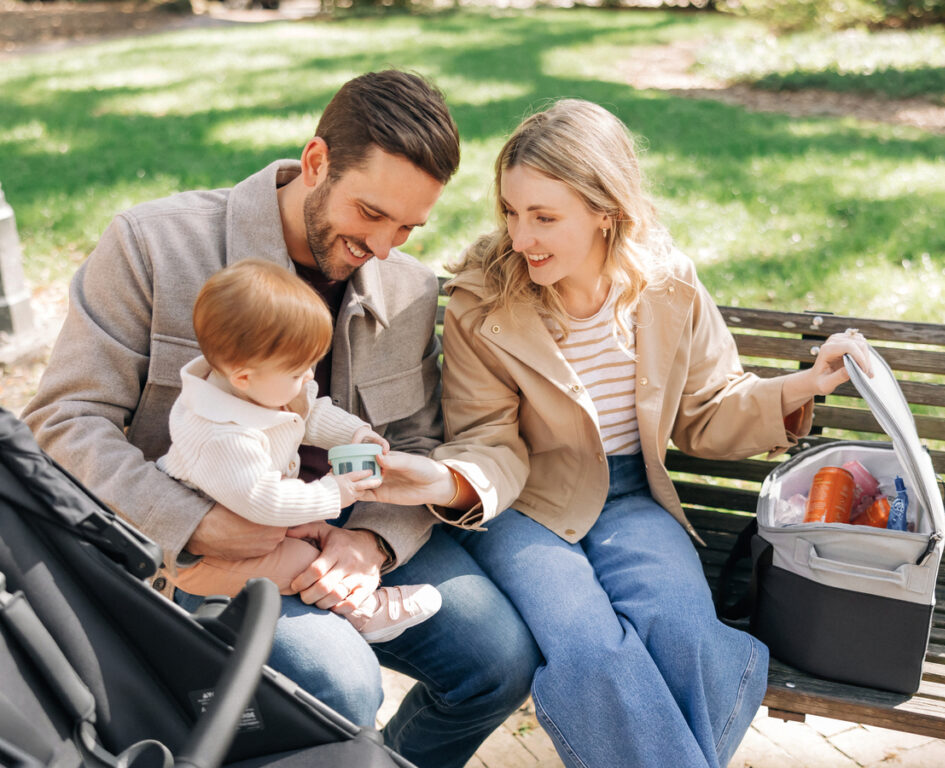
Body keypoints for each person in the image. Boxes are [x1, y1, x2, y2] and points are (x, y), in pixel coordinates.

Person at [21, 70, 539, 768]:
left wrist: (372, 548)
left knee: (498, 662)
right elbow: (64, 419)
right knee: (341, 689)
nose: (386, 248)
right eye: (371, 214)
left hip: (348, 523)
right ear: (316, 161)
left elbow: (416, 441)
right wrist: (196, 525)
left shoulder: (408, 286)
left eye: (410, 227)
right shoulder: (152, 245)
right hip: (192, 545)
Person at [364, 99, 874, 768]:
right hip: (525, 507)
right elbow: (489, 440)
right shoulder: (481, 302)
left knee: (684, 632)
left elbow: (707, 411)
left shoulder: (668, 288)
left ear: (606, 210)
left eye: (545, 217)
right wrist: (443, 480)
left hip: (632, 498)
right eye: (512, 213)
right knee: (588, 648)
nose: (522, 238)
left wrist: (805, 384)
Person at [158, 259, 442, 643]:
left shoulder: (262, 385)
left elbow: (311, 411)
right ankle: (364, 611)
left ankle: (345, 580)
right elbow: (263, 500)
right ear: (242, 376)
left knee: (312, 532)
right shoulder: (220, 434)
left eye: (312, 365)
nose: (308, 377)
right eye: (297, 372)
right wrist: (334, 492)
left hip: (254, 516)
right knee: (300, 560)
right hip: (210, 555)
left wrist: (354, 434)